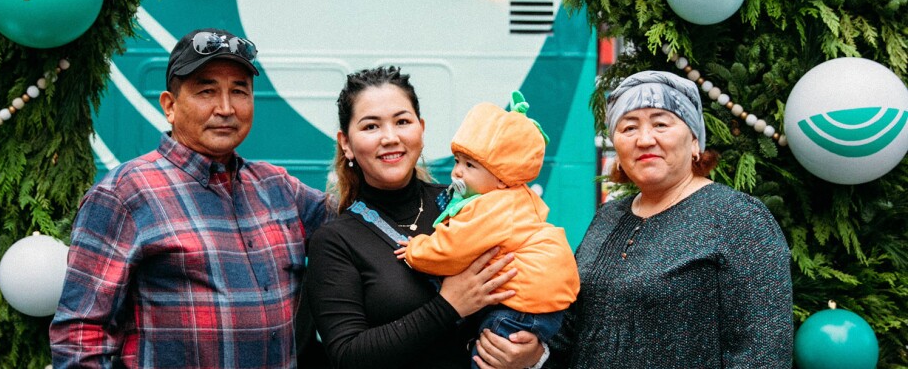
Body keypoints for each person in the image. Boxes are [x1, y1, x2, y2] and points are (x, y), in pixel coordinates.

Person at [50, 28, 330, 369]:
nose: (225, 108)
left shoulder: (279, 187)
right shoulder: (122, 195)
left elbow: (357, 226)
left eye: (239, 91)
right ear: (169, 106)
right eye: (206, 91)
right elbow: (80, 337)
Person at [306, 66, 550, 369]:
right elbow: (348, 355)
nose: (390, 137)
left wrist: (536, 354)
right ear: (346, 143)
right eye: (371, 127)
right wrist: (449, 305)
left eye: (402, 121)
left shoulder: (475, 205)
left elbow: (542, 282)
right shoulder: (335, 241)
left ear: (421, 128)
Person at [547, 70, 794, 368]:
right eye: (628, 128)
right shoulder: (608, 218)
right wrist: (531, 353)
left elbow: (763, 354)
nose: (645, 139)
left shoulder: (739, 219)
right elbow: (570, 331)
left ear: (694, 143)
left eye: (661, 124)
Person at [401, 95, 580, 366]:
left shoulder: (491, 207)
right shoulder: (515, 198)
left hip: (518, 310)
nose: (457, 173)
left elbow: (451, 250)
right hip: (540, 309)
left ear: (500, 178)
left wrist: (416, 250)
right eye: (457, 161)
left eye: (470, 165)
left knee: (487, 359)